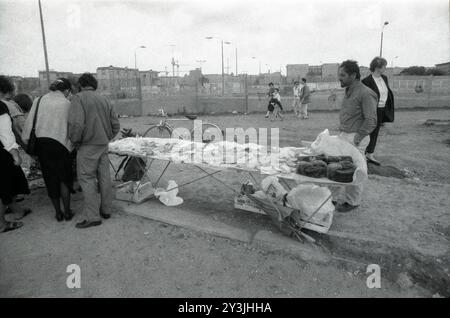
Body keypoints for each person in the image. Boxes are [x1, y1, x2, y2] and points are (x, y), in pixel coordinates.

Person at [68, 73, 120, 229]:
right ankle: (106, 210)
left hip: (87, 145)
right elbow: (115, 125)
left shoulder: (78, 98)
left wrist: (75, 142)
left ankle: (93, 217)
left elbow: (76, 125)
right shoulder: (104, 99)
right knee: (104, 178)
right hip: (102, 144)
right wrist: (106, 137)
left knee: (86, 179)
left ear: (80, 84)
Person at [22, 78, 75, 222]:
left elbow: (28, 125)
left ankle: (58, 213)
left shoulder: (38, 100)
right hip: (61, 145)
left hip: (42, 144)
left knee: (50, 179)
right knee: (64, 178)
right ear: (66, 90)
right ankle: (67, 212)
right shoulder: (67, 103)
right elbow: (71, 127)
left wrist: (27, 143)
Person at [335, 60, 378, 213]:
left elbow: (371, 120)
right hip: (345, 135)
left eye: (342, 75)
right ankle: (333, 199)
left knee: (355, 170)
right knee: (339, 168)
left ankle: (352, 202)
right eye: (339, 74)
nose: (339, 78)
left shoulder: (365, 93)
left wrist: (357, 138)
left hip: (355, 137)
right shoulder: (349, 90)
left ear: (353, 75)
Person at [0, 99, 30, 233]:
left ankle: (17, 211)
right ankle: (1, 224)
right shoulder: (1, 107)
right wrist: (15, 154)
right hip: (3, 153)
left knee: (10, 184)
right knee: (5, 187)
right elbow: (5, 132)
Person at [361, 57, 395, 165]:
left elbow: (386, 92)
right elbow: (364, 98)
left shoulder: (384, 78)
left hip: (381, 109)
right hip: (371, 110)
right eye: (384, 66)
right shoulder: (366, 81)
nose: (385, 68)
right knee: (367, 131)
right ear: (377, 67)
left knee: (375, 132)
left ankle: (370, 154)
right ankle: (361, 153)